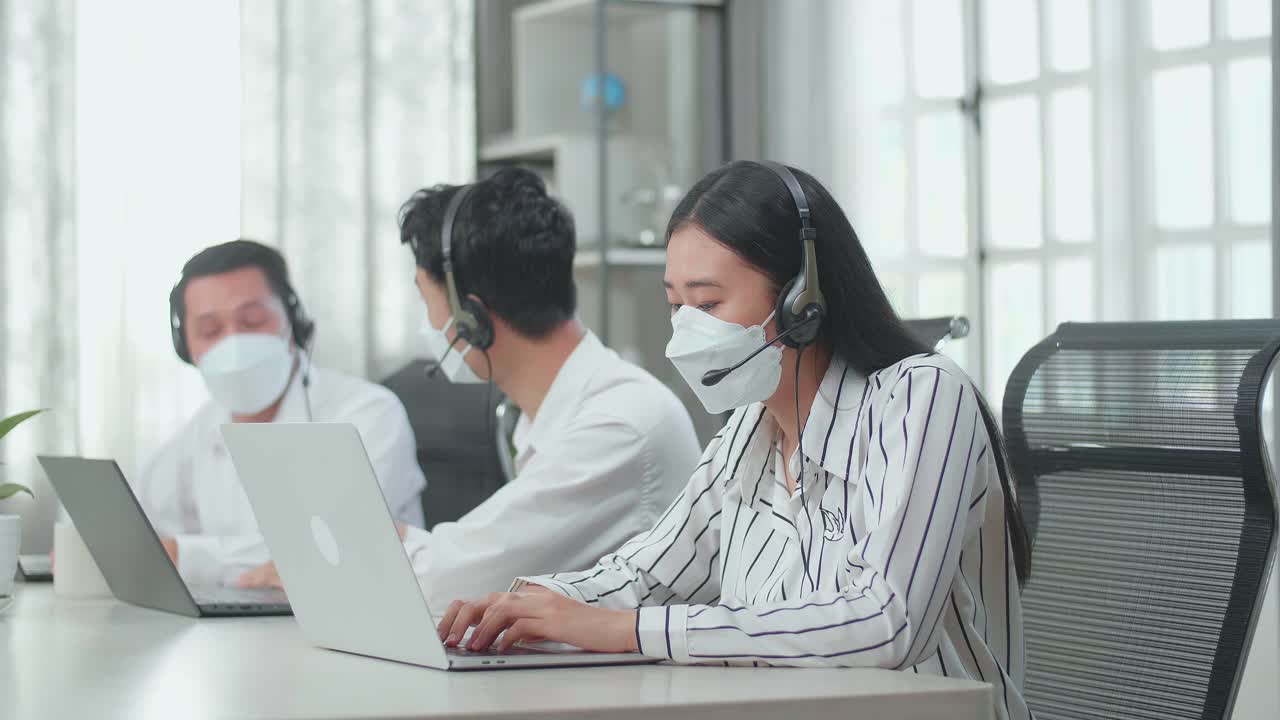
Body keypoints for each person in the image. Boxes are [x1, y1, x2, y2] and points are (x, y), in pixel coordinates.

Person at [438, 161, 1032, 720]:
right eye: (676, 304)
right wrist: (534, 603)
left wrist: (630, 630)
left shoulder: (921, 398)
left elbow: (887, 621)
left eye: (709, 302)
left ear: (803, 300)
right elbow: (646, 575)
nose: (686, 329)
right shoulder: (750, 428)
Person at [389, 167, 700, 609]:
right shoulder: (545, 412)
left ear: (470, 319)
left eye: (427, 302)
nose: (428, 325)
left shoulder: (621, 423)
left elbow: (446, 584)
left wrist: (376, 544)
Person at [137, 240, 425, 587]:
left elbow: (333, 543)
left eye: (253, 321)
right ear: (186, 348)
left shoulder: (369, 413)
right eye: (210, 331)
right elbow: (148, 532)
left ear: (294, 321)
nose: (233, 343)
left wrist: (189, 558)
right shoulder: (203, 426)